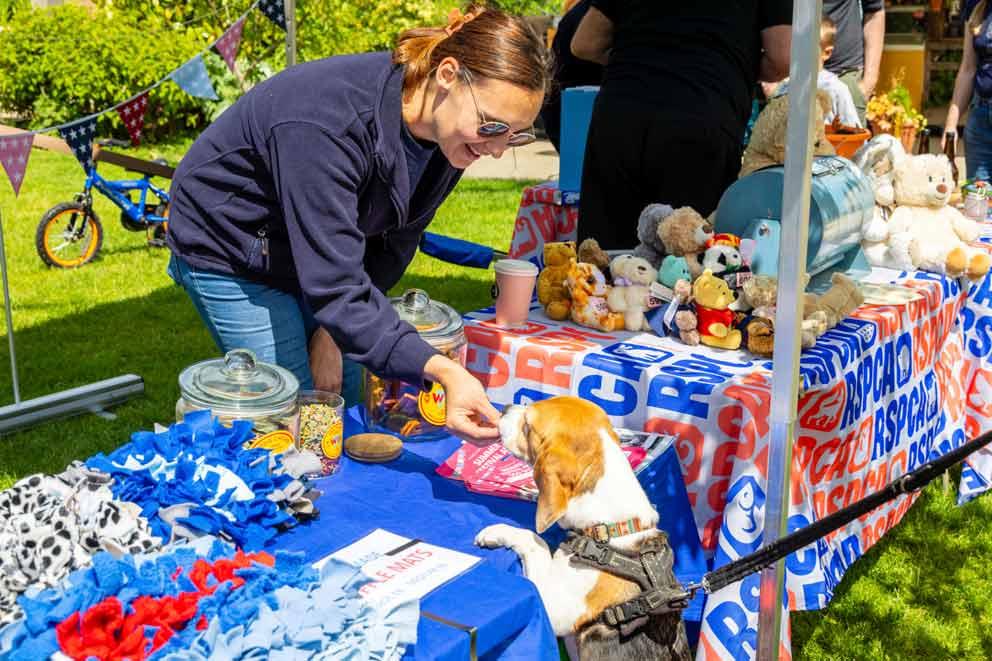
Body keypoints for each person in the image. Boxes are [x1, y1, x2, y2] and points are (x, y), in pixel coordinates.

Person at [166, 4, 549, 444]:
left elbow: (398, 241)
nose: (497, 149)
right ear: (447, 75)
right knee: (294, 409)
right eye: (493, 126)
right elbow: (336, 286)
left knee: (345, 394)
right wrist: (442, 368)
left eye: (514, 135)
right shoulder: (325, 122)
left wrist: (333, 331)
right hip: (229, 243)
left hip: (310, 249)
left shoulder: (454, 134)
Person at [571, 2, 792, 250]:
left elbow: (585, 43)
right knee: (688, 257)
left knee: (604, 259)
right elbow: (783, 57)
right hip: (703, 112)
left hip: (623, 110)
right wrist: (733, 68)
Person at [769, 16, 863, 128]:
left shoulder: (836, 89)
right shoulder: (785, 87)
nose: (798, 53)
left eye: (806, 48)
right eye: (794, 46)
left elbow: (853, 134)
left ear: (826, 53)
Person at [540, 0, 603, 153]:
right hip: (577, 110)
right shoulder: (598, 11)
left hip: (566, 107)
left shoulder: (583, 11)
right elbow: (581, 46)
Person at [945, 0, 992, 182]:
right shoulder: (976, 3)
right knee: (977, 203)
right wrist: (951, 125)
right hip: (980, 119)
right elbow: (968, 68)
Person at [822, 0, 885, 127]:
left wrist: (868, 82)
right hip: (791, 80)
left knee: (848, 146)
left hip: (846, 77)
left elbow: (874, 11)